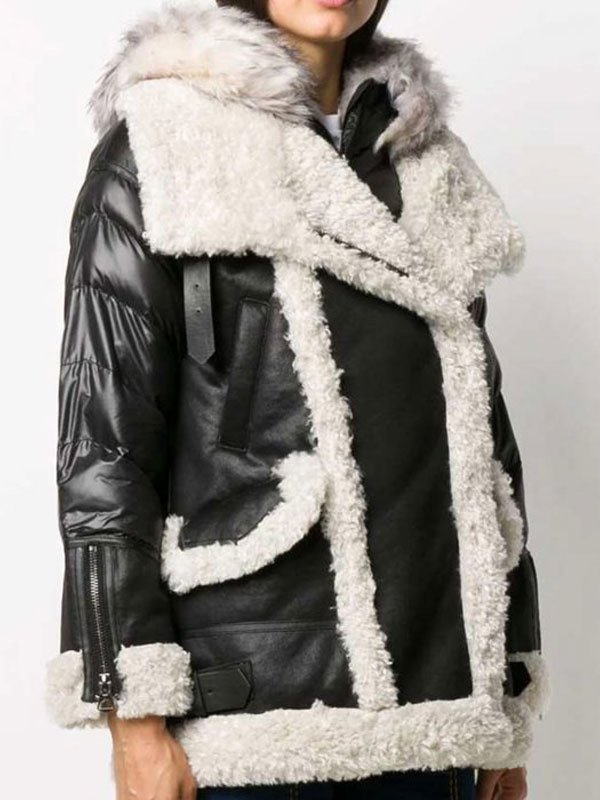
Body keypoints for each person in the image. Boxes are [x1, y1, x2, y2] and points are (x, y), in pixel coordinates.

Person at [46, 1, 549, 798]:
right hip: (252, 717)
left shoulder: (427, 160)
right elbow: (105, 445)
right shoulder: (164, 139)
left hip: (441, 715)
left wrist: (506, 705)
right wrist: (129, 715)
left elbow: (483, 446)